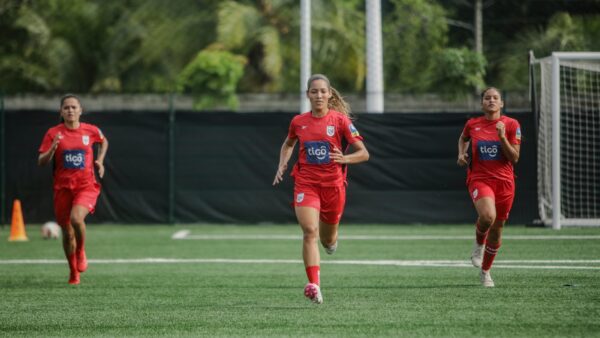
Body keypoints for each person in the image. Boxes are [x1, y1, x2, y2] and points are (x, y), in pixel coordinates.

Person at [273, 74, 369, 303]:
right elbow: (288, 144)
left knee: (327, 239)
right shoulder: (299, 122)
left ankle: (331, 242)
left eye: (322, 91)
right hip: (306, 183)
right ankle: (314, 285)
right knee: (309, 231)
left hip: (334, 187)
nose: (318, 95)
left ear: (329, 94)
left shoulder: (340, 121)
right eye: (313, 91)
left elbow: (364, 153)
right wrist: (282, 162)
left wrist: (344, 159)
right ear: (307, 94)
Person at [38, 94, 109, 285]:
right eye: (66, 107)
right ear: (61, 111)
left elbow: (104, 141)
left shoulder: (90, 130)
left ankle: (81, 251)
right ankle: (73, 272)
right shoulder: (53, 133)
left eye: (73, 107)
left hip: (85, 186)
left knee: (76, 218)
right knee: (67, 232)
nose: (70, 110)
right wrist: (52, 149)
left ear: (80, 110)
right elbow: (41, 162)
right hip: (62, 189)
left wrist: (100, 161)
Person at [457, 87, 521, 287]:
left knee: (498, 228)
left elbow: (515, 158)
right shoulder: (473, 124)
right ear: (482, 103)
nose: (491, 100)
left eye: (495, 98)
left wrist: (502, 137)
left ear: (502, 103)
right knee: (487, 217)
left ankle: (485, 272)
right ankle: (478, 245)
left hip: (504, 183)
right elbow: (463, 138)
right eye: (487, 98)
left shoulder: (511, 125)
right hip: (480, 178)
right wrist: (461, 154)